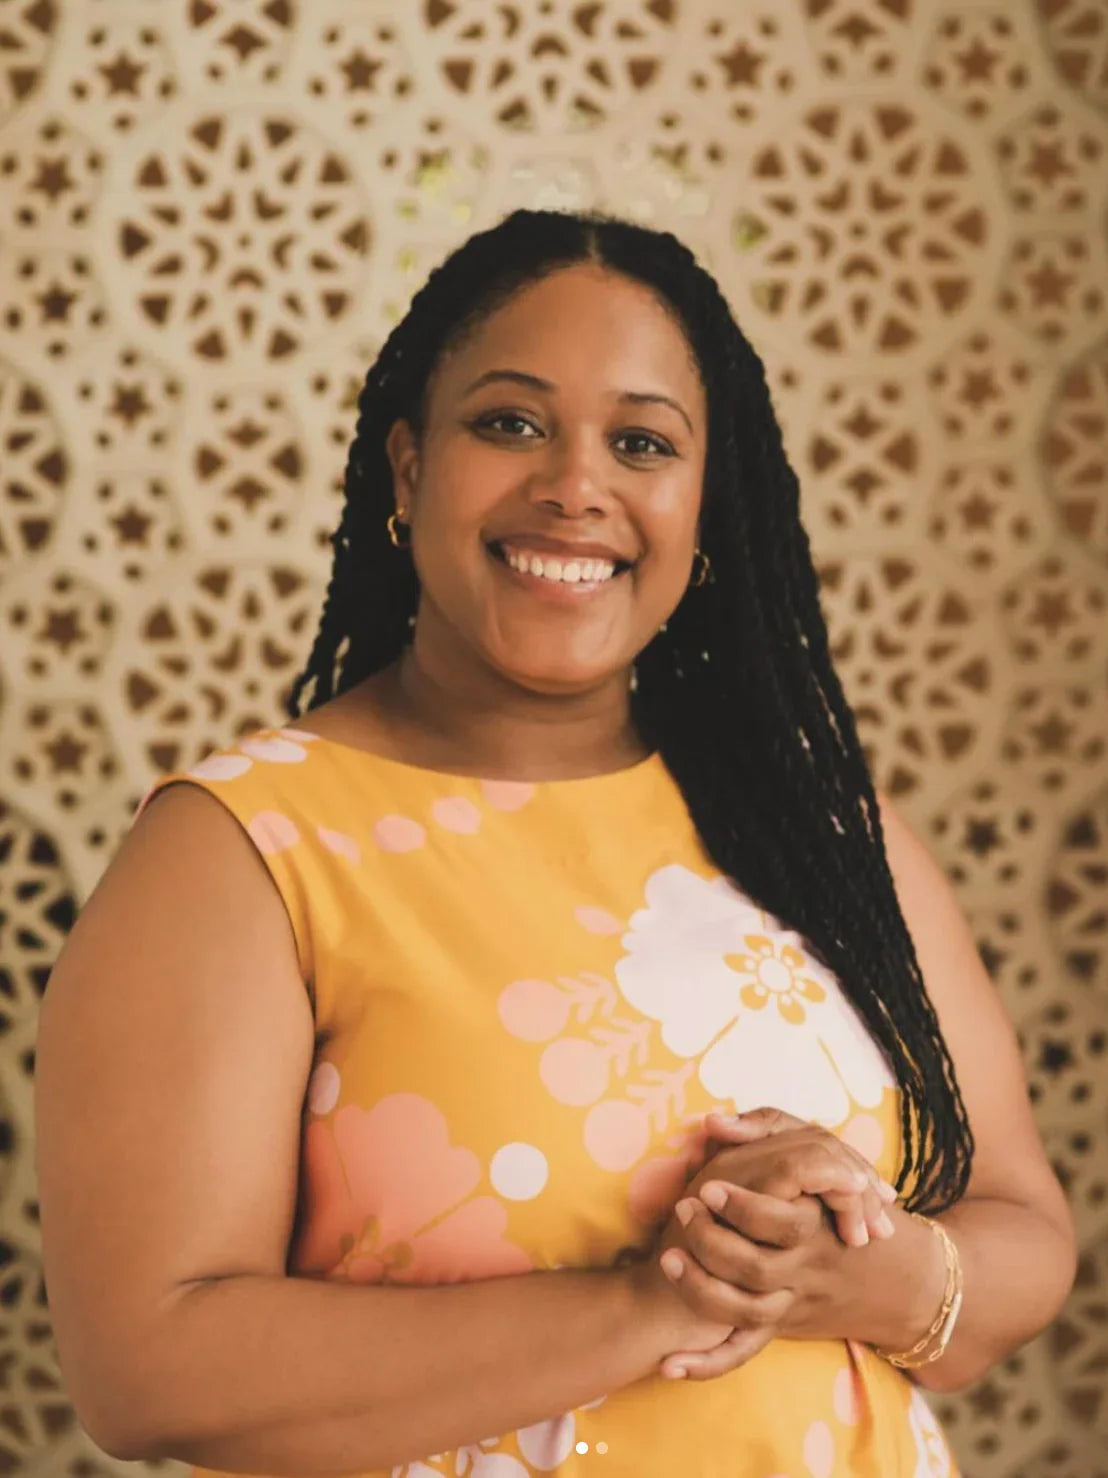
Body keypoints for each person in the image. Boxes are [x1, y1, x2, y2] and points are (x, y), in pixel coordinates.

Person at [35, 208, 1076, 1478]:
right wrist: (660, 1302)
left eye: (640, 442)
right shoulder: (244, 848)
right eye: (511, 423)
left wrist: (871, 1272)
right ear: (408, 469)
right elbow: (150, 1367)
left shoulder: (820, 822)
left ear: (704, 509)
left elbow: (1020, 1226)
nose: (575, 486)